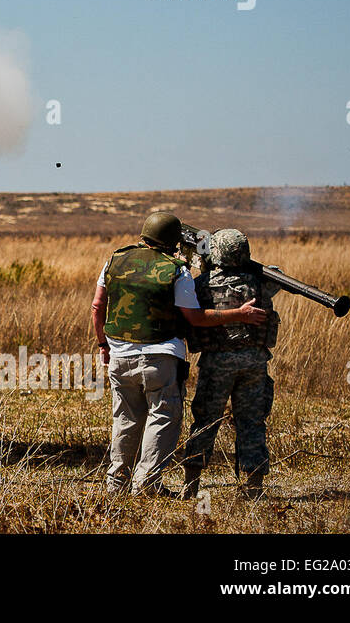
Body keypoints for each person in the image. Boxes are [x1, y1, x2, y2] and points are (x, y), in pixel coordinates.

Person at [90, 212, 267, 495]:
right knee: (162, 419)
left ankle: (116, 483)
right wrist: (240, 314)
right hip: (159, 357)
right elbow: (195, 318)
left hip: (119, 355)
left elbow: (97, 306)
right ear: (174, 242)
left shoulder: (114, 259)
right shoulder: (177, 270)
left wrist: (103, 345)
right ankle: (147, 484)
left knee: (125, 419)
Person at [181, 228, 281, 500]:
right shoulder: (261, 283)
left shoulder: (202, 284)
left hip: (216, 364)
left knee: (205, 422)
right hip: (255, 363)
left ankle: (191, 487)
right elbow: (277, 274)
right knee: (251, 422)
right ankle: (254, 489)